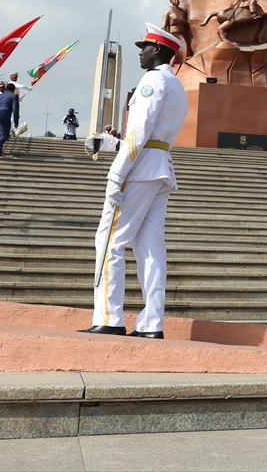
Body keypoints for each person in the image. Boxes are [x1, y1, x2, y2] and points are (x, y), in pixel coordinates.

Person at [81, 24, 188, 338]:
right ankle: (152, 324)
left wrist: (116, 173)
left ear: (158, 50)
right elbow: (150, 135)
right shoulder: (176, 83)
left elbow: (141, 132)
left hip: (139, 169)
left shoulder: (153, 79)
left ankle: (109, 318)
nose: (141, 52)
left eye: (145, 47)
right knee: (150, 248)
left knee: (110, 240)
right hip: (159, 166)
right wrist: (111, 142)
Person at [0, 83, 20, 158]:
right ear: (13, 90)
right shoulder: (14, 96)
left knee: (0, 134)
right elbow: (15, 110)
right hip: (4, 116)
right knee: (5, 135)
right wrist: (16, 121)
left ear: (5, 89)